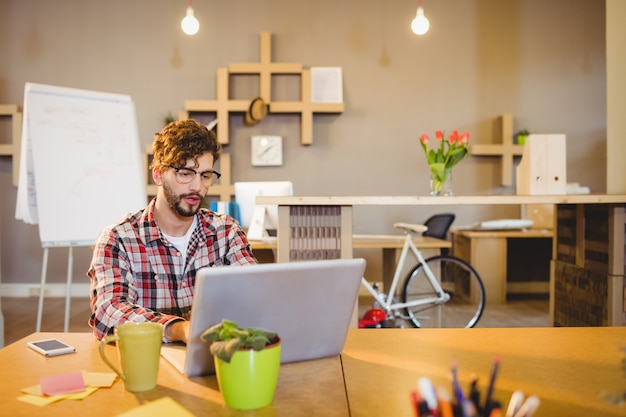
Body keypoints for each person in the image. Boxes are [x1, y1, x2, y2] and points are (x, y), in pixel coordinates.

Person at [88, 119, 257, 343]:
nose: (198, 186)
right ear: (158, 174)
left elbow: (255, 295)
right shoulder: (118, 238)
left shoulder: (226, 232)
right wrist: (178, 329)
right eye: (186, 173)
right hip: (150, 364)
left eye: (205, 175)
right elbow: (108, 314)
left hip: (215, 361)